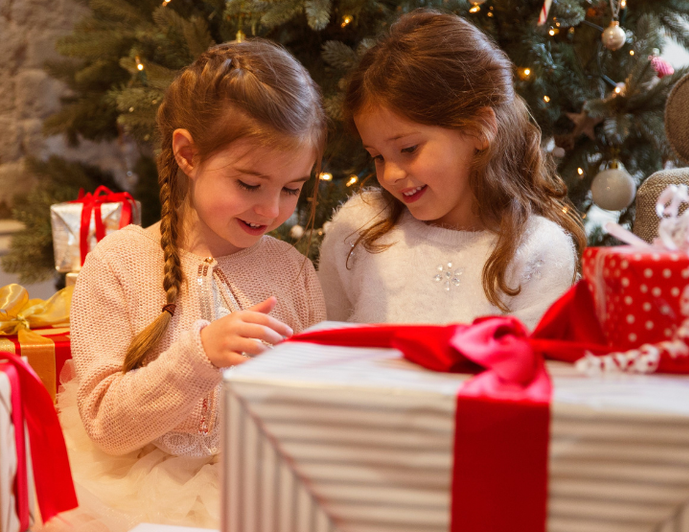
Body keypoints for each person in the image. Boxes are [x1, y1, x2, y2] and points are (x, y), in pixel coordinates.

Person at [52, 39, 327, 531]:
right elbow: (106, 426)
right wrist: (199, 357)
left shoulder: (294, 273)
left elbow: (316, 411)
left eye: (292, 189)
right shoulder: (118, 264)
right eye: (249, 184)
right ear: (187, 154)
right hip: (136, 497)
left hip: (265, 490)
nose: (272, 210)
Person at [318, 10, 585, 331]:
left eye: (408, 149)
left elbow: (532, 367)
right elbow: (319, 338)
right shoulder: (359, 225)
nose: (390, 175)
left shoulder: (537, 248)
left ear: (478, 128)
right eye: (377, 156)